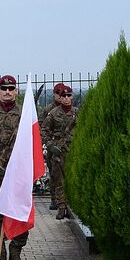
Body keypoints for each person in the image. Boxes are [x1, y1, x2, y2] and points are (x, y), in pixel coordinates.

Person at [0, 74, 28, 260]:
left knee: (19, 212)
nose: (7, 92)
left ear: (16, 91)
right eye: (3, 88)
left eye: (11, 88)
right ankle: (0, 253)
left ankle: (16, 252)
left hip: (17, 172)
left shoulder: (25, 114)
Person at [44, 84, 77, 220]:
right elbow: (44, 131)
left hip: (73, 150)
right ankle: (61, 206)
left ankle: (69, 207)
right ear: (60, 97)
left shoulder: (77, 112)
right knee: (59, 179)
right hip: (58, 151)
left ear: (72, 97)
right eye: (64, 96)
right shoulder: (53, 113)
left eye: (69, 95)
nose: (66, 98)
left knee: (71, 179)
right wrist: (51, 145)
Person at [40, 82, 65, 210]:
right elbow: (42, 128)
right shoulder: (48, 110)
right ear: (54, 94)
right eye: (58, 94)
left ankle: (64, 201)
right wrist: (48, 143)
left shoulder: (70, 108)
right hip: (52, 147)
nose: (61, 97)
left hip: (65, 147)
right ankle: (54, 200)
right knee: (53, 174)